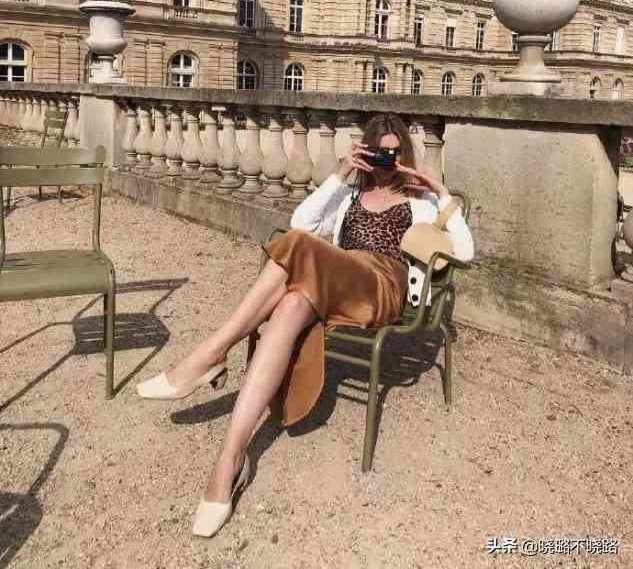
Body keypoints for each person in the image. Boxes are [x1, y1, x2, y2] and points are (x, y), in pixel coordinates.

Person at [136, 113, 474, 538]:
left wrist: (439, 191)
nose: (387, 160)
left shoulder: (420, 200)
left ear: (405, 153)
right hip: (334, 282)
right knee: (292, 303)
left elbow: (464, 252)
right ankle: (230, 457)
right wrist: (340, 173)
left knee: (296, 248)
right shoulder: (350, 192)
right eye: (378, 152)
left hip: (380, 288)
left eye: (394, 152)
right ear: (365, 151)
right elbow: (301, 220)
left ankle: (211, 354)